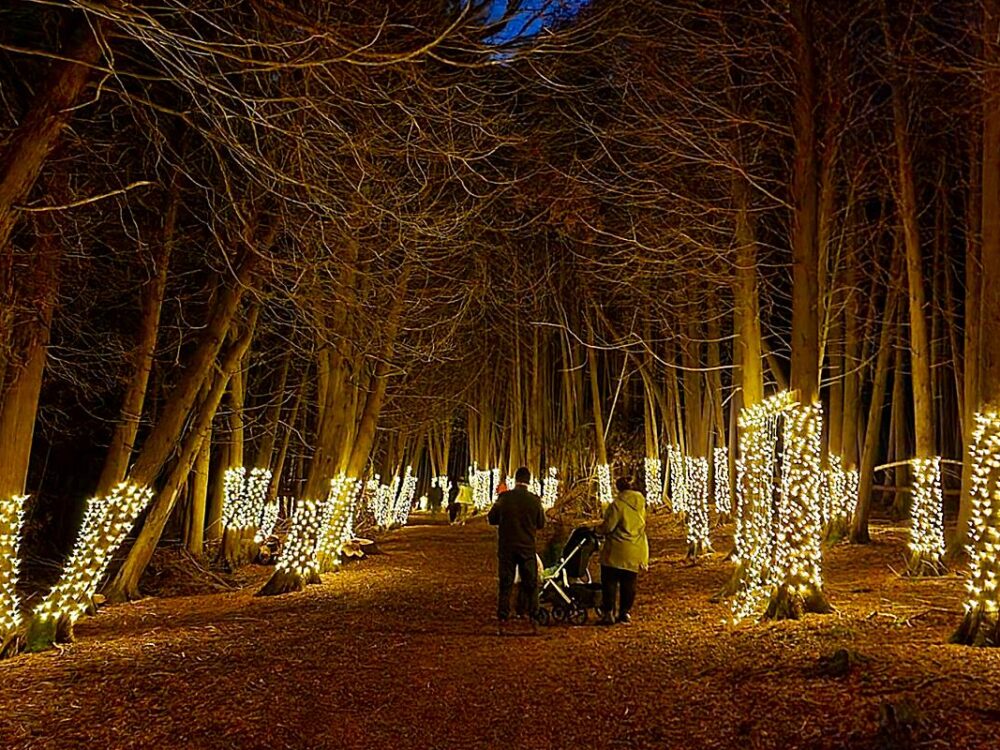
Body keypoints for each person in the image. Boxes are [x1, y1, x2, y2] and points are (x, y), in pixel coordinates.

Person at [487, 466, 545, 634]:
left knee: (506, 583)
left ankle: (503, 618)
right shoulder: (534, 500)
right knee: (531, 583)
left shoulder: (504, 498)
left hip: (507, 546)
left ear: (515, 479)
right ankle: (533, 617)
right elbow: (541, 523)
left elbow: (492, 519)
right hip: (527, 547)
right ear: (529, 480)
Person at [596, 475, 649, 625]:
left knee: (610, 581)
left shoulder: (617, 505)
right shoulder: (640, 503)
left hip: (616, 549)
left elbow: (609, 526)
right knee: (629, 582)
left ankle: (609, 613)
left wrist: (598, 530)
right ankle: (624, 612)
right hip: (635, 547)